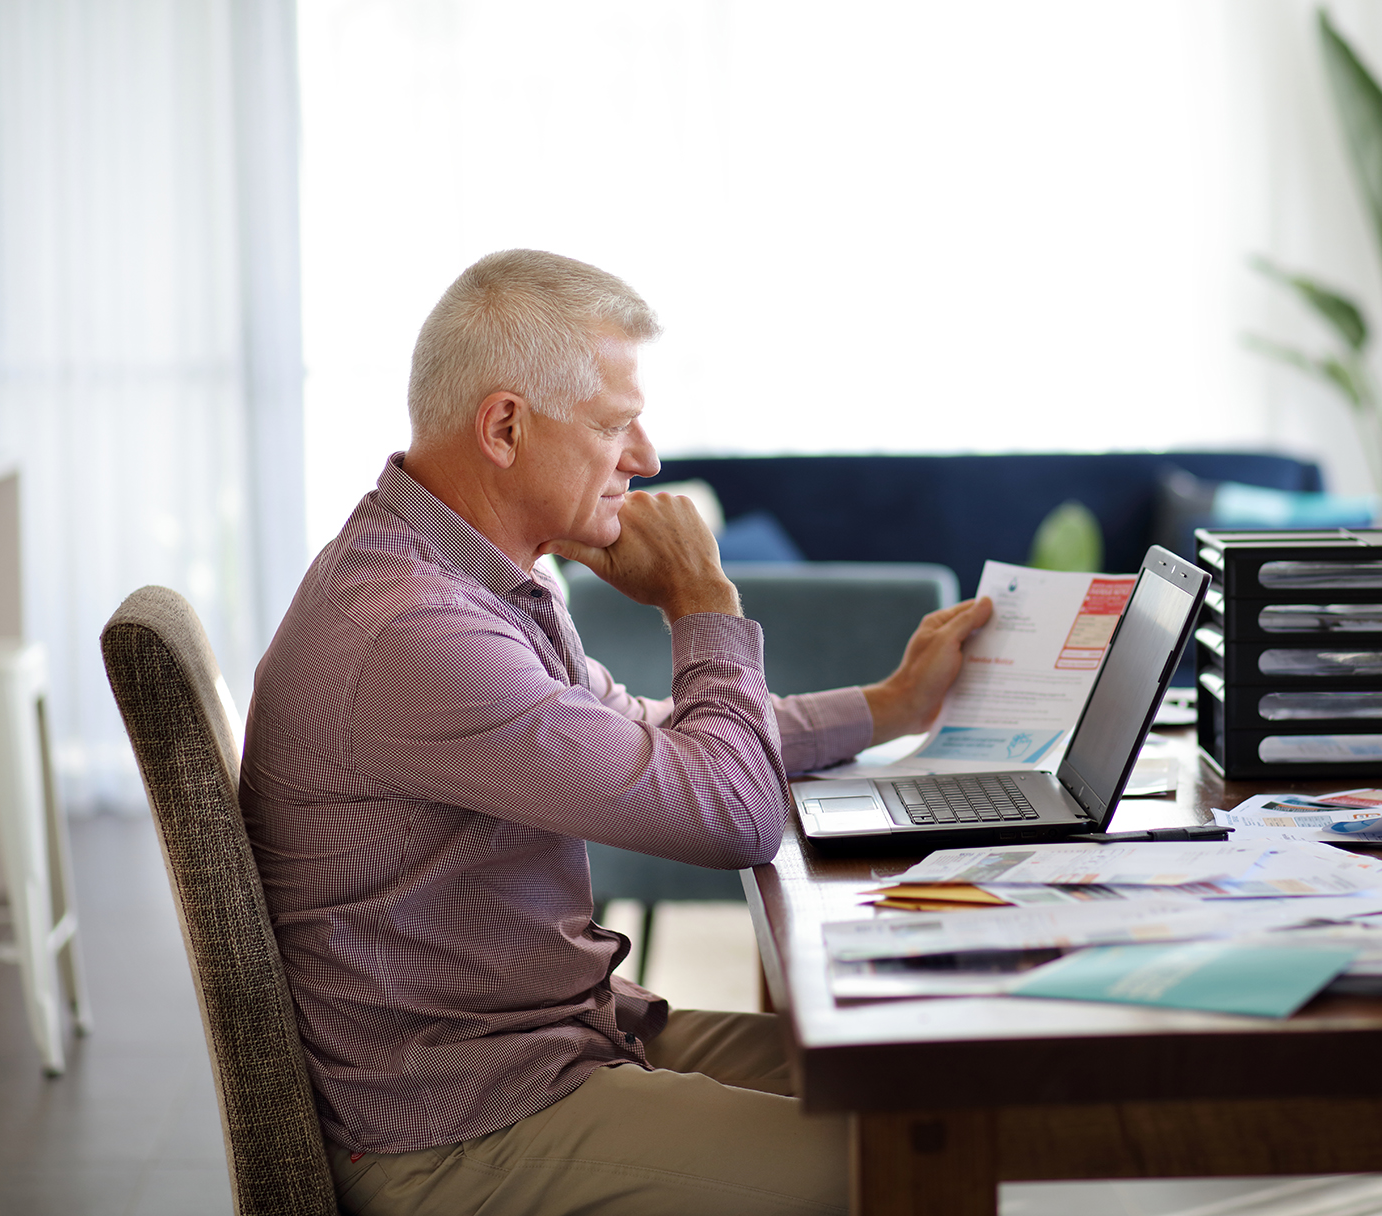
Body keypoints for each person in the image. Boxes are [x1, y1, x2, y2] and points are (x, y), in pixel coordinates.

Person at [239, 249, 991, 1216]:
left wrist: (888, 707)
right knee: (935, 1168)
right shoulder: (415, 630)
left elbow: (653, 734)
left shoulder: (471, 577)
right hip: (467, 1121)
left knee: (938, 1089)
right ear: (505, 426)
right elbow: (728, 817)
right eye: (612, 423)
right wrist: (701, 602)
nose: (645, 459)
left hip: (558, 1041)